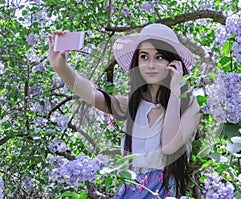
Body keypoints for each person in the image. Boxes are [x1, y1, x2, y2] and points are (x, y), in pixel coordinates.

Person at [48, 23, 201, 198]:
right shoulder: (131, 105)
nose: (150, 64)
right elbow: (90, 93)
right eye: (144, 56)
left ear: (173, 62)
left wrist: (175, 91)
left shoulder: (190, 106)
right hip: (129, 192)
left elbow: (168, 146)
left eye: (159, 57)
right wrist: (60, 67)